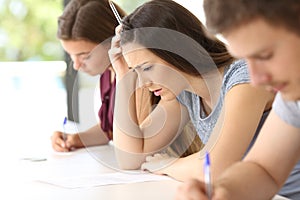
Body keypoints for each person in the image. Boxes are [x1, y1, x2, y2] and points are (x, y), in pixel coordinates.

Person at [108, 0, 274, 182]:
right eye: (135, 71)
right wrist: (122, 74)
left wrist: (167, 164)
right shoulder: (185, 92)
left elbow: (214, 168)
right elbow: (129, 158)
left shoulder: (244, 78)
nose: (142, 83)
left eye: (147, 68)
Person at [175, 0, 300, 200]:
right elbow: (264, 169)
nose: (257, 79)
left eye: (265, 55)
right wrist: (225, 191)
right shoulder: (294, 96)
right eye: (245, 59)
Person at [51, 0, 202, 157]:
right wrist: (76, 139)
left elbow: (134, 146)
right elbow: (109, 129)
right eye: (71, 56)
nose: (76, 66)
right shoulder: (108, 74)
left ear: (113, 42)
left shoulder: (149, 79)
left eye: (85, 56)